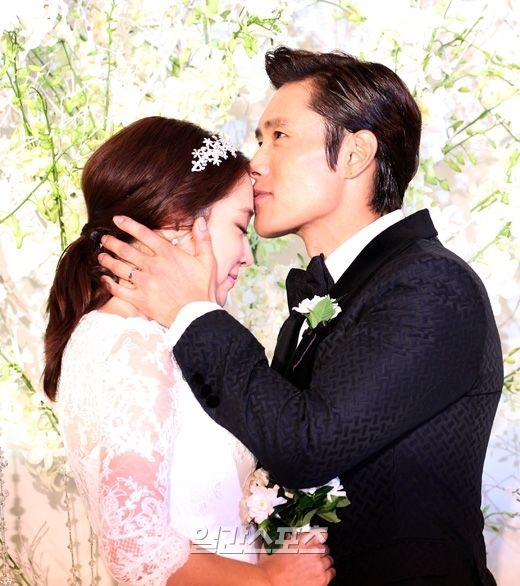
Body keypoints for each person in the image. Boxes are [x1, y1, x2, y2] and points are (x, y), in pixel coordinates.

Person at [97, 48, 503, 585]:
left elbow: (308, 444)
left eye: (279, 136)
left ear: (355, 153)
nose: (255, 163)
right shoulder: (318, 301)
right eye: (259, 139)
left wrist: (190, 311)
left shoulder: (431, 284)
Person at [43, 116, 334, 586]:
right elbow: (136, 552)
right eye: (238, 226)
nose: (247, 255)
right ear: (177, 224)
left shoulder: (143, 338)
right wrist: (271, 581)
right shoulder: (131, 347)